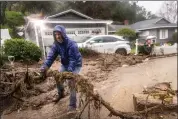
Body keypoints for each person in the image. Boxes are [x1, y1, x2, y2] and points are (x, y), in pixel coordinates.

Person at [40, 25, 82, 111]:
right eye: (56, 34)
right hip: (65, 64)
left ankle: (72, 105)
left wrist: (70, 71)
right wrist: (45, 67)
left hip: (76, 64)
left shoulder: (71, 44)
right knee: (58, 77)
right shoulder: (56, 45)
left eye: (59, 34)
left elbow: (73, 60)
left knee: (71, 82)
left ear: (63, 34)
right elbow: (50, 57)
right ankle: (61, 93)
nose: (58, 36)